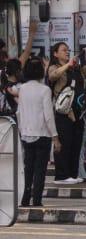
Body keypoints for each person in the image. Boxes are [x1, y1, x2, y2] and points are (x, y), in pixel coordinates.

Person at [16, 57, 56, 208]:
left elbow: (19, 112)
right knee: (40, 169)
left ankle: (25, 198)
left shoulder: (22, 89)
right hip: (43, 134)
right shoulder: (45, 90)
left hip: (26, 134)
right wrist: (55, 136)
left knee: (28, 168)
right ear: (41, 71)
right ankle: (37, 199)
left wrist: (21, 130)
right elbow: (48, 116)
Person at [46, 41, 85, 184]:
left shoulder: (75, 68)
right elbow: (52, 77)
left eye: (68, 50)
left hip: (77, 110)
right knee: (64, 142)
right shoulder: (54, 67)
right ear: (55, 53)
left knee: (76, 142)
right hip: (63, 112)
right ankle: (61, 175)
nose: (67, 52)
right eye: (63, 50)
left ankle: (72, 174)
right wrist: (68, 65)